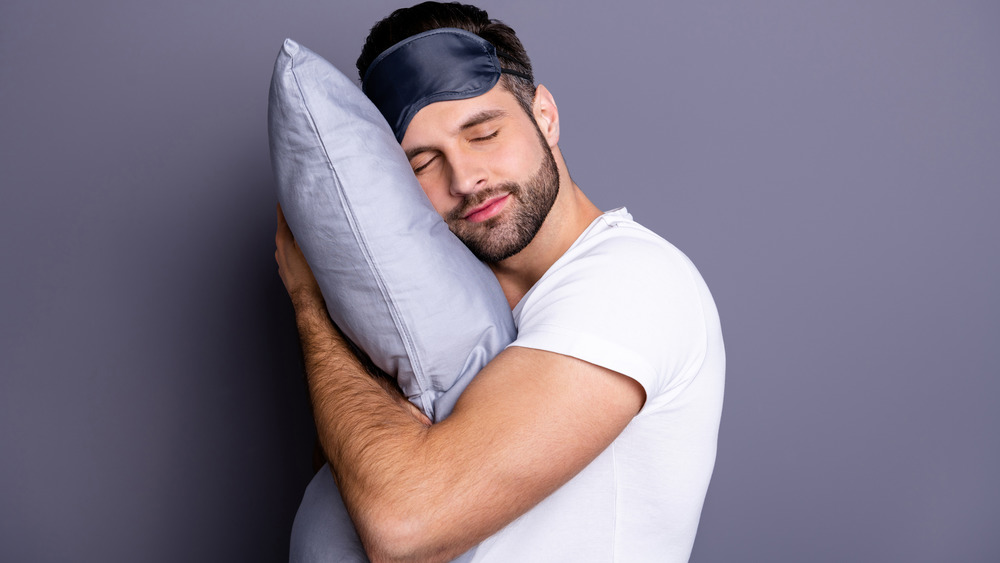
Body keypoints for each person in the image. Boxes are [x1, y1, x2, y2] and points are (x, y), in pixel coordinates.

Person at [275, 2, 725, 562]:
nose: (465, 179)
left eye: (483, 133)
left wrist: (309, 307)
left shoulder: (631, 281)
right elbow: (355, 472)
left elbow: (404, 525)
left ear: (545, 116)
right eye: (423, 164)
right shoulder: (442, 314)